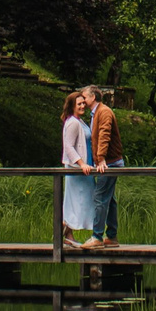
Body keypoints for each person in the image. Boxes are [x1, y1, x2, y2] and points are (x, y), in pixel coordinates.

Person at [86, 84, 122, 248]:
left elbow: (104, 135)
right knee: (109, 198)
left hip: (109, 162)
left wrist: (101, 159)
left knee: (99, 197)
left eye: (85, 97)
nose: (83, 100)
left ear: (93, 97)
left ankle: (97, 236)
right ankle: (112, 236)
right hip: (108, 162)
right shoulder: (96, 113)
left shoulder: (104, 112)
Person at [59, 91, 95, 248]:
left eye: (83, 103)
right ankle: (64, 228)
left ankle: (68, 233)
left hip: (86, 168)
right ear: (72, 106)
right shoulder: (73, 123)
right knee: (76, 200)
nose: (82, 106)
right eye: (79, 104)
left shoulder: (80, 121)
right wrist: (81, 164)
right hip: (77, 169)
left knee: (83, 200)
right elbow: (68, 146)